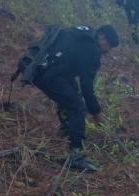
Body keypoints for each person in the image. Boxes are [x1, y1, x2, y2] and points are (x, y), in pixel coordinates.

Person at [32, 25, 120, 171]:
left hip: (42, 68)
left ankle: (67, 130)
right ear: (102, 38)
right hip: (50, 74)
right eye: (109, 45)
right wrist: (97, 113)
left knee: (72, 93)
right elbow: (87, 87)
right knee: (78, 107)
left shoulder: (84, 34)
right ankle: (76, 154)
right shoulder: (92, 49)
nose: (108, 51)